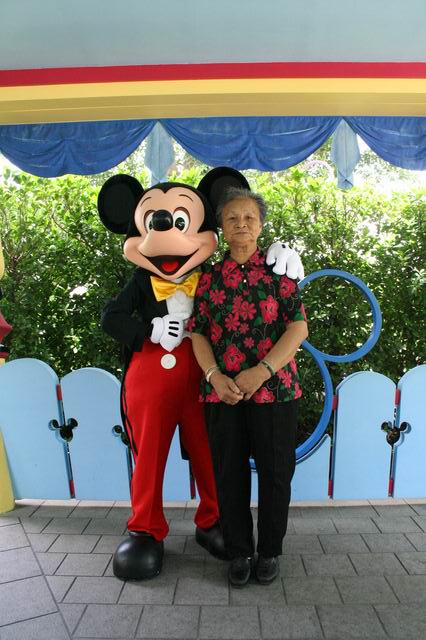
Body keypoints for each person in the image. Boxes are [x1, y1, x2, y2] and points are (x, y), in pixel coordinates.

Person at [190, 186, 308, 587]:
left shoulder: (280, 274)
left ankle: (270, 550)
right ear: (221, 227)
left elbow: (298, 327)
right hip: (221, 392)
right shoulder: (208, 278)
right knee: (228, 473)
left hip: (275, 391)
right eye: (232, 218)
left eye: (249, 217)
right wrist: (214, 376)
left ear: (260, 225)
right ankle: (239, 550)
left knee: (276, 473)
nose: (241, 224)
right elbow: (198, 332)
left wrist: (262, 371)